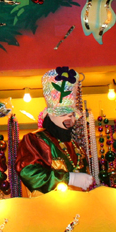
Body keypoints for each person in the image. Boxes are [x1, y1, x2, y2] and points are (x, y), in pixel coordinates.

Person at [16, 67, 93, 196]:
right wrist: (69, 178)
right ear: (50, 115)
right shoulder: (35, 140)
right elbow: (29, 173)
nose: (70, 118)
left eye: (72, 114)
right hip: (47, 210)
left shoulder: (76, 147)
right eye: (63, 114)